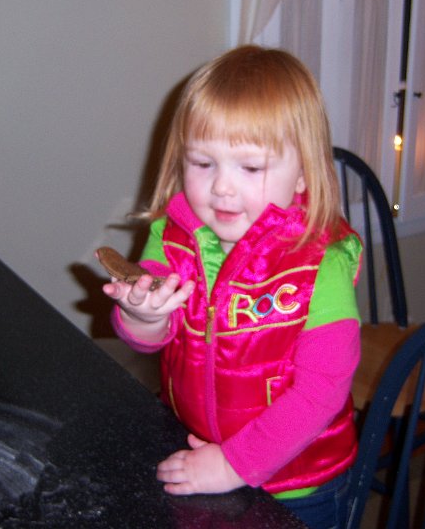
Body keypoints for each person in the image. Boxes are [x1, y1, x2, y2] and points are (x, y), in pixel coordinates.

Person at [100, 45, 362, 529]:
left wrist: (234, 464)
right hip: (195, 449)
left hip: (298, 484)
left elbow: (320, 393)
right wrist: (143, 314)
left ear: (303, 176)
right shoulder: (171, 237)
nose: (222, 187)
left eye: (250, 168)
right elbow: (147, 337)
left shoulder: (320, 266)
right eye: (203, 163)